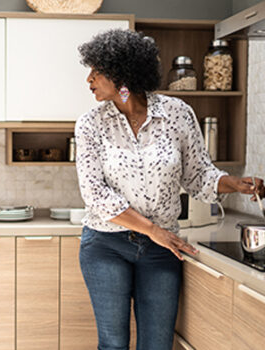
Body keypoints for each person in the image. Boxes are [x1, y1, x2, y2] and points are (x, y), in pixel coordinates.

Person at [75, 29, 265, 350]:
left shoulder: (177, 114)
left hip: (161, 250)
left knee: (158, 345)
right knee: (113, 344)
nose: (89, 79)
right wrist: (152, 230)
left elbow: (198, 175)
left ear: (122, 73)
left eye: (97, 70)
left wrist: (235, 184)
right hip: (106, 245)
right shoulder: (91, 124)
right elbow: (96, 195)